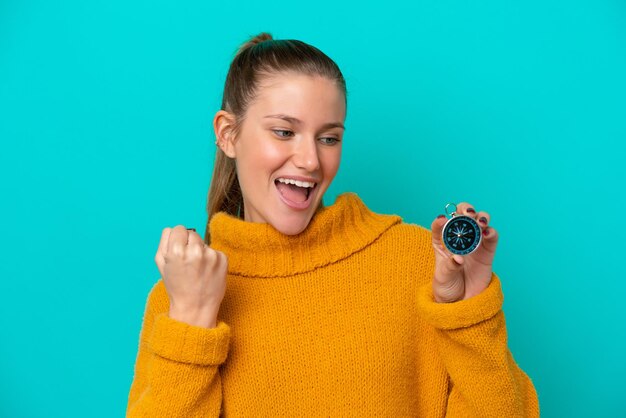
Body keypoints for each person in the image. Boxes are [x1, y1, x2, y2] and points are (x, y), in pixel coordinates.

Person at [126, 32, 539, 417]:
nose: (310, 160)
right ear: (228, 134)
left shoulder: (417, 264)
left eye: (329, 138)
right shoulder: (180, 297)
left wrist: (468, 314)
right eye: (284, 131)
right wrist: (192, 320)